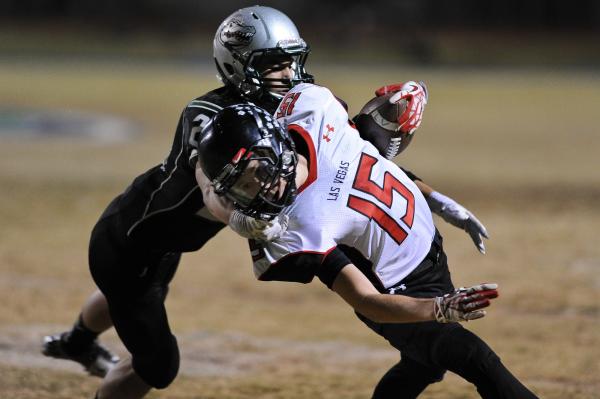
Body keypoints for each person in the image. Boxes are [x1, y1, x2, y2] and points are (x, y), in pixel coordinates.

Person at [41, 5, 487, 398]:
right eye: (275, 65)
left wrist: (434, 197)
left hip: (172, 241)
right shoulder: (210, 116)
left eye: (293, 63)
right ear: (237, 66)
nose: (288, 75)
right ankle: (84, 345)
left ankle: (78, 341)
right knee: (158, 361)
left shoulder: (291, 107)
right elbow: (210, 185)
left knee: (146, 287)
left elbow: (352, 162)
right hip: (130, 239)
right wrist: (239, 215)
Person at [196, 93, 538, 399]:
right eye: (241, 187)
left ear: (274, 145)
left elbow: (370, 155)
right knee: (472, 357)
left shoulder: (313, 111)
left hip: (426, 252)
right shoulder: (292, 227)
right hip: (396, 289)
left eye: (256, 172)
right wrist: (439, 308)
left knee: (425, 365)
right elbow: (365, 299)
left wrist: (437, 200)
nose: (257, 190)